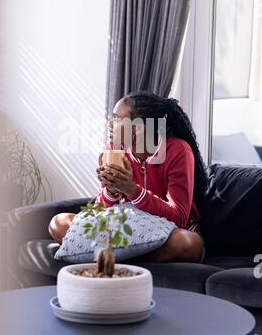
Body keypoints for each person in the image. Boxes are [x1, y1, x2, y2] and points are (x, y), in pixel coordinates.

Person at [49, 91, 208, 262]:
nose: (110, 124)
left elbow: (180, 218)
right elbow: (99, 211)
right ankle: (131, 254)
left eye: (117, 119)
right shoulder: (115, 148)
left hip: (166, 231)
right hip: (126, 225)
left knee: (189, 243)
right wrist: (110, 191)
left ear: (139, 127)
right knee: (58, 223)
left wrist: (132, 190)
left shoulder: (177, 151)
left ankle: (116, 255)